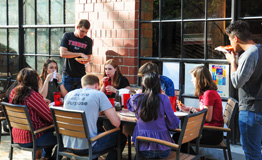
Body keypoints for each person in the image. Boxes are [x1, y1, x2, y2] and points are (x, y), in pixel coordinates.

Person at [62, 74, 127, 160]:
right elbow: (116, 123)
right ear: (97, 85)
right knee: (121, 137)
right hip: (87, 147)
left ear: (82, 84)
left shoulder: (69, 94)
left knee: (98, 129)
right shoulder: (98, 94)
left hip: (67, 145)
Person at [225, 20, 262, 160]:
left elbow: (236, 82)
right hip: (259, 109)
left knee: (252, 154)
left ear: (236, 38)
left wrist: (233, 63)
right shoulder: (259, 50)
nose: (231, 43)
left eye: (230, 39)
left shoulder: (249, 54)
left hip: (250, 112)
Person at [127, 72, 179, 159]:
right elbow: (172, 123)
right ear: (158, 84)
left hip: (143, 149)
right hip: (163, 148)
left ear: (143, 84)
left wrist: (138, 93)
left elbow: (129, 106)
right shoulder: (164, 98)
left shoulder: (136, 98)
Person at [9, 68, 57, 160]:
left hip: (17, 135)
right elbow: (50, 118)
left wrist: (41, 102)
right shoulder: (33, 95)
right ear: (35, 81)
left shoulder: (14, 92)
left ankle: (45, 157)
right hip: (32, 137)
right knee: (62, 136)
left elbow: (27, 105)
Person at [175, 66, 224, 152]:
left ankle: (193, 157)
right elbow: (204, 111)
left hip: (212, 133)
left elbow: (208, 118)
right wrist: (188, 109)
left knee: (177, 137)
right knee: (178, 136)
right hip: (208, 130)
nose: (192, 80)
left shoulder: (209, 94)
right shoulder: (207, 93)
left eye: (193, 78)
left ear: (199, 79)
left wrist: (192, 111)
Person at [60, 19, 93, 92]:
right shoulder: (67, 36)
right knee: (67, 98)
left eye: (86, 32)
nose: (84, 34)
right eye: (82, 31)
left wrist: (85, 60)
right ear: (77, 27)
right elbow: (63, 53)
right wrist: (79, 54)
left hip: (81, 75)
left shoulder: (88, 41)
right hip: (68, 74)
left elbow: (88, 57)